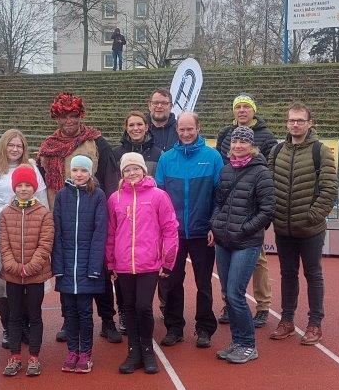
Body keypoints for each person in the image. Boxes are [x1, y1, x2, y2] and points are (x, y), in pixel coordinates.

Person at [38, 92, 122, 344]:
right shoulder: (47, 147)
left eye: (74, 115)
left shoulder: (97, 143)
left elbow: (110, 180)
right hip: (60, 216)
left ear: (80, 115)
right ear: (57, 119)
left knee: (101, 272)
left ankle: (108, 320)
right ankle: (68, 320)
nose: (69, 121)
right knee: (66, 272)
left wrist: (106, 215)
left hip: (93, 216)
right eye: (64, 117)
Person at [267, 103, 338, 345]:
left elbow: (329, 189)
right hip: (283, 228)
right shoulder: (277, 152)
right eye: (291, 121)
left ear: (310, 123)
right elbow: (268, 187)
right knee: (287, 274)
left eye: (300, 120)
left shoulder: (321, 152)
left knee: (313, 275)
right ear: (286, 124)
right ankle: (287, 320)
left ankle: (315, 323)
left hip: (310, 229)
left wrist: (313, 215)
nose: (295, 124)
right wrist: (274, 214)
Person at [153, 112, 223, 349]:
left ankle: (204, 328)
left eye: (189, 129)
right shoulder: (166, 159)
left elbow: (219, 197)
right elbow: (159, 199)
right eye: (181, 129)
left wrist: (214, 224)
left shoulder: (213, 157)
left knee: (204, 283)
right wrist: (163, 231)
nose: (185, 134)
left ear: (198, 128)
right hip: (174, 234)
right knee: (172, 282)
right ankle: (174, 327)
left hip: (203, 232)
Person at [106, 152, 179, 375]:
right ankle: (133, 351)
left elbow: (170, 228)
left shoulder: (159, 196)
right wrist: (110, 262)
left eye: (136, 168)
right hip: (123, 264)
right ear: (122, 173)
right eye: (127, 170)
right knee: (128, 308)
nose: (132, 173)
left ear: (144, 170)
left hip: (149, 263)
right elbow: (111, 233)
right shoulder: (115, 198)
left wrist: (168, 261)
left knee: (143, 307)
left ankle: (147, 350)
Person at [0, 129, 48, 349]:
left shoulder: (32, 168)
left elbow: (42, 200)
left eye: (19, 146)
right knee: (3, 282)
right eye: (11, 145)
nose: (15, 149)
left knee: (29, 279)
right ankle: (9, 326)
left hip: (28, 231)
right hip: (1, 230)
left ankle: (26, 324)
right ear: (3, 146)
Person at [211, 127, 275, 364]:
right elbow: (218, 202)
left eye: (243, 142)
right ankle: (237, 341)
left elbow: (267, 210)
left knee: (236, 294)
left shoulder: (261, 173)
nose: (238, 145)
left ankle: (248, 344)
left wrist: (244, 229)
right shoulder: (227, 170)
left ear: (252, 146)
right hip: (224, 241)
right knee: (228, 293)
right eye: (235, 141)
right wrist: (215, 223)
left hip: (246, 243)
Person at [215, 93, 278, 328]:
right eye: (238, 107)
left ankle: (262, 306)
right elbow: (222, 164)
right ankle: (230, 304)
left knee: (258, 261)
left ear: (253, 110)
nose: (241, 110)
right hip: (230, 203)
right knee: (226, 265)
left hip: (250, 209)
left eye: (246, 107)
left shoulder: (266, 135)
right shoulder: (225, 133)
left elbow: (270, 167)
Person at [51, 155, 108, 374]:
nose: (79, 174)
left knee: (84, 312)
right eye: (75, 170)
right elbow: (57, 233)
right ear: (69, 172)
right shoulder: (62, 196)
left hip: (86, 268)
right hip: (66, 267)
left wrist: (95, 267)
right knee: (69, 313)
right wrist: (58, 266)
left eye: (83, 171)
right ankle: (72, 351)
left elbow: (99, 233)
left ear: (90, 172)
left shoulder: (98, 196)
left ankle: (86, 353)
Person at [0, 165, 55, 377]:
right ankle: (14, 357)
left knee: (34, 315)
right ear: (14, 188)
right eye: (19, 185)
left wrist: (31, 267)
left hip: (35, 275)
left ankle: (34, 357)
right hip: (12, 275)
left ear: (34, 187)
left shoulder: (44, 213)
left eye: (27, 185)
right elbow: (3, 243)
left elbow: (45, 243)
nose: (23, 189)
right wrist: (13, 266)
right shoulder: (5, 213)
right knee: (14, 316)